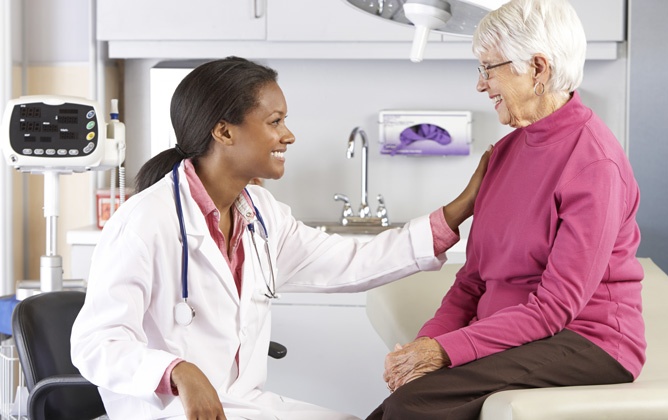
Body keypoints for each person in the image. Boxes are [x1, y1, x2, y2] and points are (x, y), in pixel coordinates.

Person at [70, 56, 492, 420]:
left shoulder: (260, 214)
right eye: (275, 122)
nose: (288, 135)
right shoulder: (147, 219)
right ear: (224, 131)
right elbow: (95, 344)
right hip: (166, 410)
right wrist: (178, 370)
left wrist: (459, 209)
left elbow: (352, 260)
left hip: (242, 404)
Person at [367, 0, 644, 419]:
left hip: (587, 340)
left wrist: (443, 351)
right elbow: (472, 279)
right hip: (519, 332)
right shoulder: (504, 153)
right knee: (400, 402)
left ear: (537, 68)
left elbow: (555, 308)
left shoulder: (594, 164)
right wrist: (426, 344)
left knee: (413, 407)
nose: (481, 85)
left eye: (489, 68)